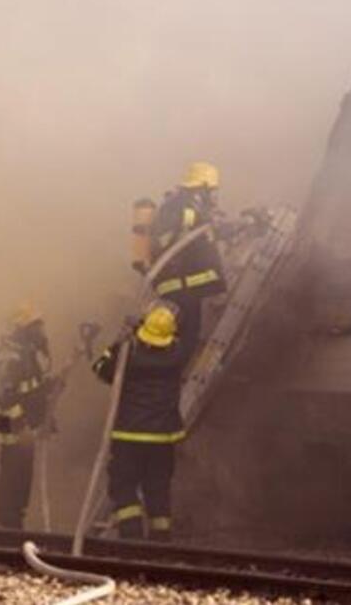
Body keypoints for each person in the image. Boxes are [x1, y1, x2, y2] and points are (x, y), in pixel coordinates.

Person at [91, 301, 192, 541]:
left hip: (129, 435)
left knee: (123, 485)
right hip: (163, 438)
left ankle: (132, 536)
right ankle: (160, 541)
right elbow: (172, 338)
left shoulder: (130, 353)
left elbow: (100, 369)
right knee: (157, 487)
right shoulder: (178, 354)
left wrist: (120, 340)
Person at [147, 161, 228, 350]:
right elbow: (200, 231)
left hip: (184, 285)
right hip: (180, 285)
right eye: (213, 190)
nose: (215, 195)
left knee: (187, 335)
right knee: (187, 337)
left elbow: (204, 233)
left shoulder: (187, 207)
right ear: (203, 188)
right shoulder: (182, 208)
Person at [0, 302, 52, 529]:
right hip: (15, 432)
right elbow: (4, 397)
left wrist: (49, 388)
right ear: (23, 329)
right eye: (36, 325)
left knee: (22, 480)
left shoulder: (29, 354)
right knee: (12, 478)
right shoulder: (10, 357)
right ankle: (7, 522)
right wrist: (21, 425)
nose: (41, 330)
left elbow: (31, 389)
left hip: (27, 433)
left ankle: (14, 522)